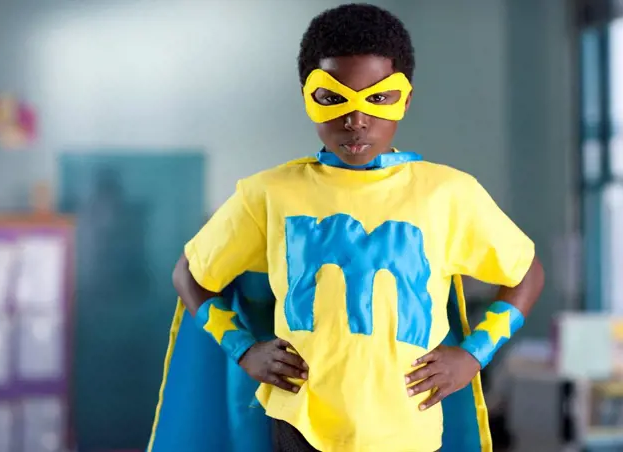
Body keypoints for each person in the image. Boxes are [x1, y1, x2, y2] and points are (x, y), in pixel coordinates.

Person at [165, 3, 545, 452]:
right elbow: (189, 274)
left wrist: (473, 355)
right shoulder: (268, 193)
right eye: (332, 98)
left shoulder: (448, 193)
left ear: (405, 97)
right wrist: (243, 349)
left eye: (378, 98)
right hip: (300, 421)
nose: (356, 119)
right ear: (307, 94)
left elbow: (526, 272)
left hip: (409, 427)